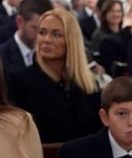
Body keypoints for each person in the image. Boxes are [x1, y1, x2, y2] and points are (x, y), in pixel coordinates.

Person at [7, 9, 101, 143]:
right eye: (42, 32)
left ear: (71, 40)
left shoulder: (89, 84)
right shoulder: (18, 82)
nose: (46, 40)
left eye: (56, 35)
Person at [0, 0, 53, 80]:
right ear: (19, 22)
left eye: (45, 31)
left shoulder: (52, 54)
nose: (44, 37)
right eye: (36, 28)